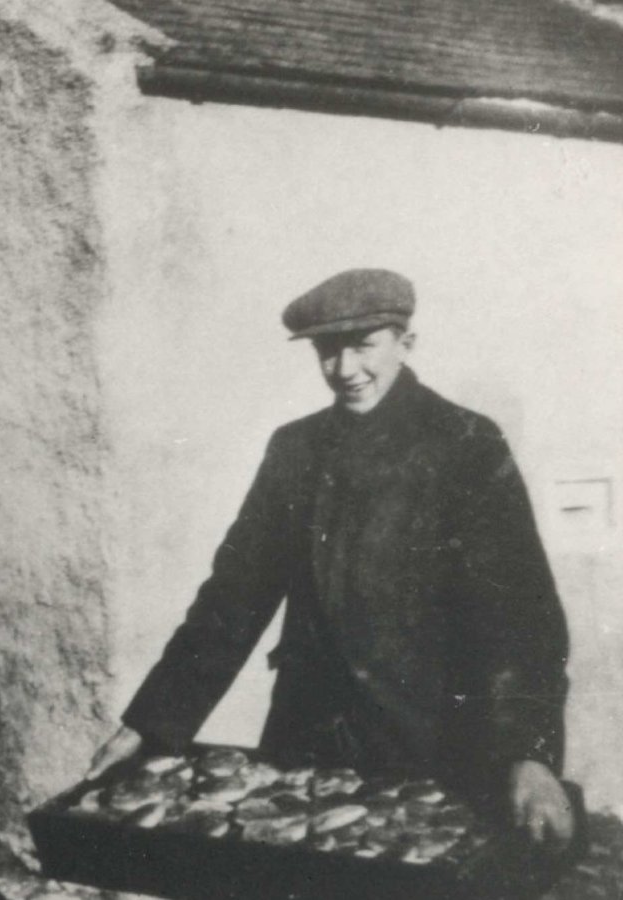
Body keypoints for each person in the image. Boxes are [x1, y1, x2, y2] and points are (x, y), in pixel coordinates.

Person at [85, 269, 574, 848]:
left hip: (434, 744)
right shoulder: (295, 449)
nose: (345, 370)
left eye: (364, 345)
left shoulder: (467, 444)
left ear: (405, 343)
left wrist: (529, 754)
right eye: (327, 350)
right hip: (307, 740)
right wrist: (150, 722)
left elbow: (519, 617)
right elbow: (232, 598)